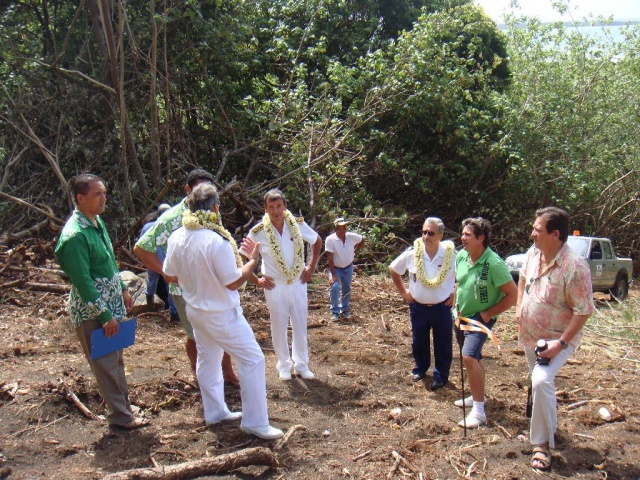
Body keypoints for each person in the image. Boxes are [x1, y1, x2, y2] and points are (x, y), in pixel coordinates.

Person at [163, 183, 283, 440]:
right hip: (220, 314)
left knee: (208, 360)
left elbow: (169, 275)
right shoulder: (215, 241)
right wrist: (252, 261)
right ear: (215, 208)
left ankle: (215, 412)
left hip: (195, 310)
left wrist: (196, 279)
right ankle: (255, 422)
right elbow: (233, 281)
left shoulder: (177, 236)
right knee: (252, 359)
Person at [55, 174, 148, 430]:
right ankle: (121, 417)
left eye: (104, 193)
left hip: (111, 305)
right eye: (97, 194)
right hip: (93, 312)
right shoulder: (75, 235)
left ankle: (124, 406)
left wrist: (123, 290)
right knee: (105, 364)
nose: (103, 198)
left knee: (115, 359)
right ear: (80, 198)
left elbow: (109, 260)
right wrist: (104, 315)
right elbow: (82, 281)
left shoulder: (96, 222)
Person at [134, 169, 239, 385]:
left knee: (222, 330)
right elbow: (142, 248)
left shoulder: (212, 210)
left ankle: (227, 372)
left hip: (213, 285)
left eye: (208, 190)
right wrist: (167, 272)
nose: (203, 193)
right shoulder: (173, 218)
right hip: (185, 290)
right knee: (195, 334)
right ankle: (196, 371)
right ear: (187, 190)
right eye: (198, 188)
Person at [516, 207, 594, 470]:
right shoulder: (533, 253)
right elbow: (523, 277)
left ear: (555, 234)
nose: (532, 234)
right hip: (531, 335)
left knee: (541, 380)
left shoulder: (574, 266)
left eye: (537, 230)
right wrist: (519, 307)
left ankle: (541, 445)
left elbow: (584, 310)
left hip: (557, 339)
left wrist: (560, 343)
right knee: (537, 382)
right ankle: (547, 428)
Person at [243, 189, 322, 381]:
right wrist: (256, 280)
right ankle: (284, 366)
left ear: (285, 206)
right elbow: (243, 256)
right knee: (278, 325)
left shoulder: (296, 224)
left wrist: (311, 266)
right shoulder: (258, 231)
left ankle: (302, 365)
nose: (276, 211)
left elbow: (317, 241)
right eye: (271, 207)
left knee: (300, 323)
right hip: (274, 285)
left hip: (298, 281)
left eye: (279, 206)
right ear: (265, 209)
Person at [455, 217, 517, 428]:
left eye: (467, 235)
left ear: (481, 238)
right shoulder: (462, 256)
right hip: (460, 315)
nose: (463, 238)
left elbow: (512, 295)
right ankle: (476, 395)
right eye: (462, 234)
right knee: (474, 357)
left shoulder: (494, 264)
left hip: (479, 318)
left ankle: (479, 412)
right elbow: (461, 284)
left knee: (469, 357)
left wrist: (488, 314)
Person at [389, 217, 456, 390]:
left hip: (442, 307)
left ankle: (441, 376)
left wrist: (456, 292)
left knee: (443, 343)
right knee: (419, 341)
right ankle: (420, 369)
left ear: (440, 235)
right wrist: (403, 292)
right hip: (418, 307)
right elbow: (393, 269)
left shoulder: (450, 254)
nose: (426, 236)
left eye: (431, 233)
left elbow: (465, 274)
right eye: (424, 232)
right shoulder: (413, 253)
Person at [138, 203, 178, 321]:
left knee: (152, 281)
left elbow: (141, 244)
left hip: (152, 260)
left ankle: (150, 304)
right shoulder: (170, 226)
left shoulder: (148, 226)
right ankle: (174, 313)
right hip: (165, 260)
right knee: (170, 284)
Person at [325, 217, 365, 320]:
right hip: (336, 268)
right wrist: (333, 275)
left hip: (348, 266)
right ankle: (335, 311)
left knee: (346, 288)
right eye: (342, 226)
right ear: (337, 228)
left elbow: (362, 239)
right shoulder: (330, 240)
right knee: (335, 287)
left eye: (345, 226)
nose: (344, 228)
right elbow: (330, 258)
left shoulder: (350, 236)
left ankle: (345, 309)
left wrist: (355, 251)